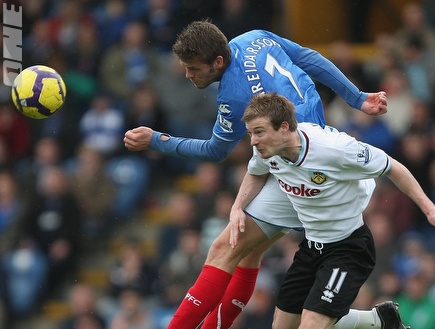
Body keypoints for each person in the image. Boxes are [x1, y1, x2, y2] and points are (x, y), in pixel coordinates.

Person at [124, 20, 388, 328]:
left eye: (194, 68)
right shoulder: (255, 38)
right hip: (315, 151)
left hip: (301, 173)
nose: (188, 74)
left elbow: (215, 151)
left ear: (217, 62)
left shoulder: (232, 96)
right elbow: (307, 57)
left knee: (225, 250)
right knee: (248, 256)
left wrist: (157, 140)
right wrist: (356, 97)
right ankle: (374, 322)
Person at [231, 92, 435, 328]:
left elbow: (393, 167)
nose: (253, 141)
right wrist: (237, 207)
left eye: (259, 132)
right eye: (250, 133)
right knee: (283, 325)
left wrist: (429, 208)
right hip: (311, 248)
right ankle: (377, 321)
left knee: (312, 323)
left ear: (284, 127)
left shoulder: (335, 149)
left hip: (347, 249)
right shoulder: (266, 149)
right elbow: (255, 172)